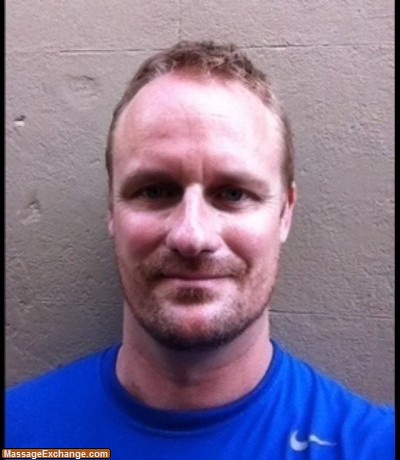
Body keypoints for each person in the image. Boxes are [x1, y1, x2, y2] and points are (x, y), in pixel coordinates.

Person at [6, 40, 393, 459]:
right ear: (112, 211)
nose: (192, 236)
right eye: (155, 191)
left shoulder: (373, 447)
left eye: (233, 193)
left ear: (285, 213)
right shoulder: (17, 437)